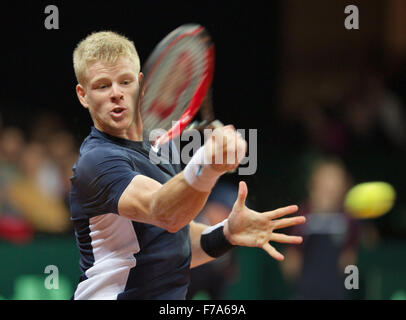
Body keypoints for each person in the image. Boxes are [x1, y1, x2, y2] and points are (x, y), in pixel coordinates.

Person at [69, 31, 306, 300]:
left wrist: (227, 232)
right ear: (83, 95)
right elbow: (162, 211)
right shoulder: (96, 161)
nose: (116, 94)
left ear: (141, 85)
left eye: (125, 81)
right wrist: (208, 165)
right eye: (102, 86)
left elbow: (173, 245)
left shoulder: (159, 148)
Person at [281, 157, 360, 299]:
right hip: (305, 293)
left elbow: (350, 261)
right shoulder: (302, 216)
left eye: (335, 183)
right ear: (313, 185)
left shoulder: (350, 219)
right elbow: (290, 264)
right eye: (326, 183)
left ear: (344, 188)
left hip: (336, 293)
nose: (330, 189)